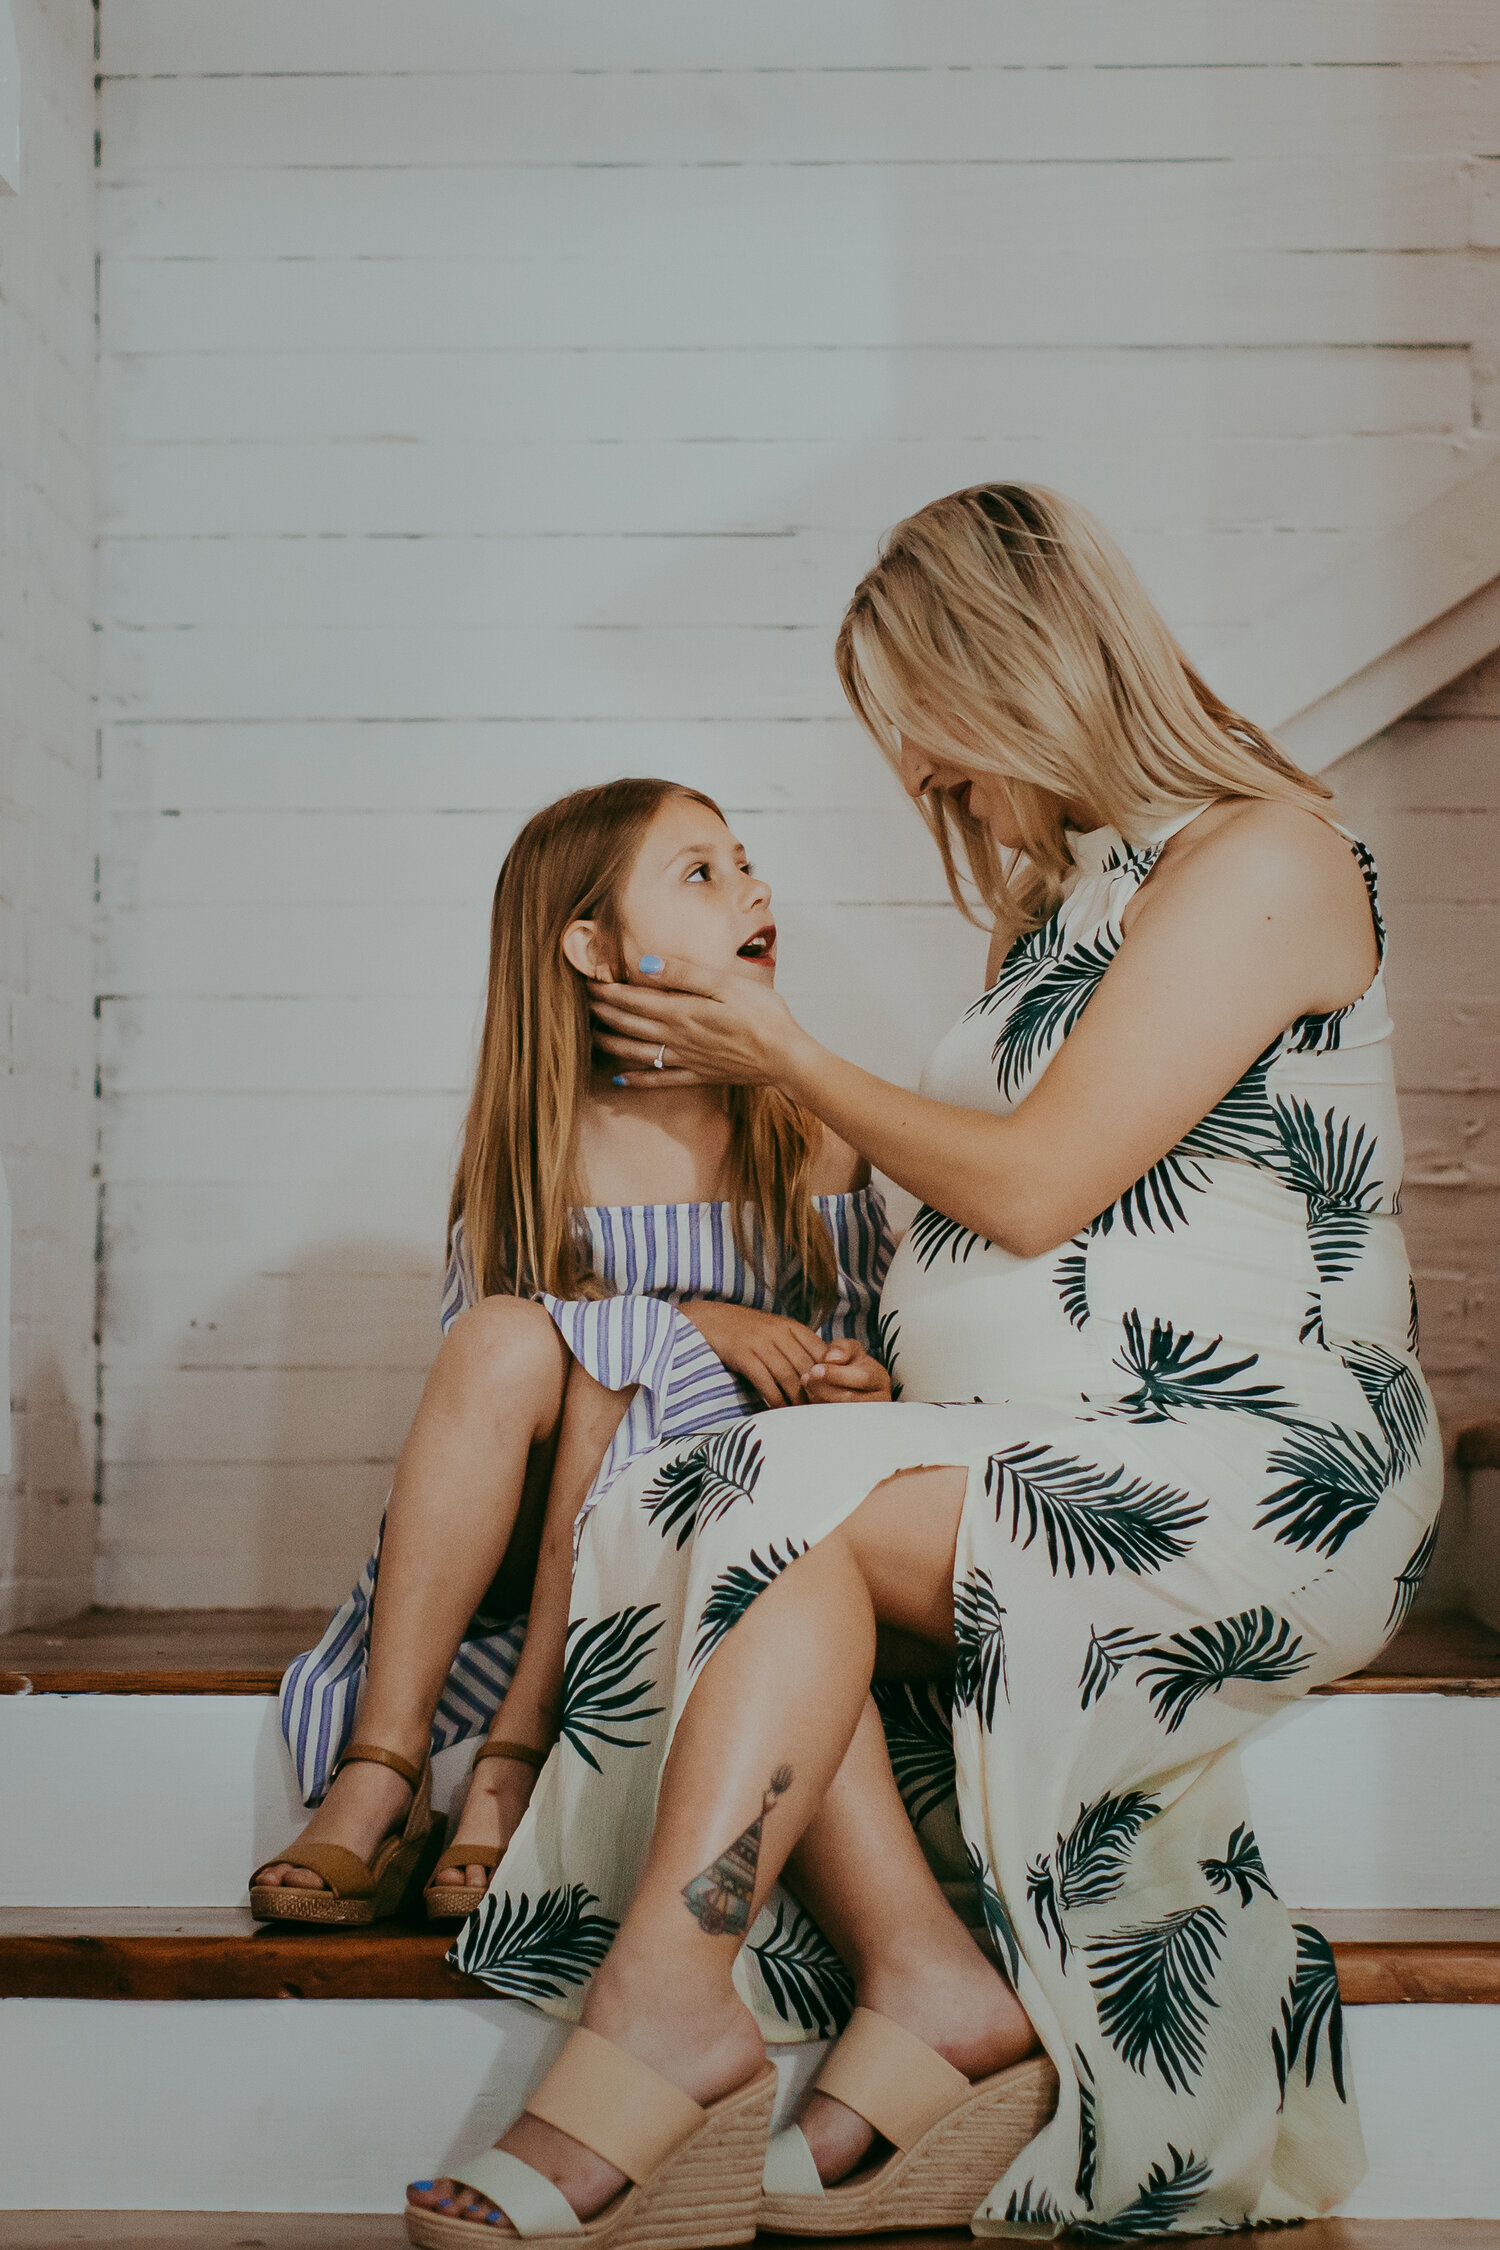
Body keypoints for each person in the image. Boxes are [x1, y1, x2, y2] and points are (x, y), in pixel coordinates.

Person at [405, 484, 1442, 2247]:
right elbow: (986, 1230)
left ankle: (666, 2012)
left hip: (1253, 1460)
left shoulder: (1265, 855)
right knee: (709, 1477)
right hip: (1033, 1442)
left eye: (930, 736)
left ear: (1019, 671)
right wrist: (864, 1374)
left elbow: (1039, 1188)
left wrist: (778, 1051)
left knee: (732, 1500)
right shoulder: (1055, 914)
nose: (927, 782)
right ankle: (925, 1988)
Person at [251, 778, 893, 1924]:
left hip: (715, 1522)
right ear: (591, 946)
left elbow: (850, 1357)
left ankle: (517, 1752)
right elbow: (485, 1378)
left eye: (744, 861)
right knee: (527, 1340)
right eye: (699, 872)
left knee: (610, 1365)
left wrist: (855, 1373)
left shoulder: (813, 1133)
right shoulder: (538, 1146)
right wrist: (694, 1323)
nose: (751, 886)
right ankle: (384, 1765)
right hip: (528, 1536)